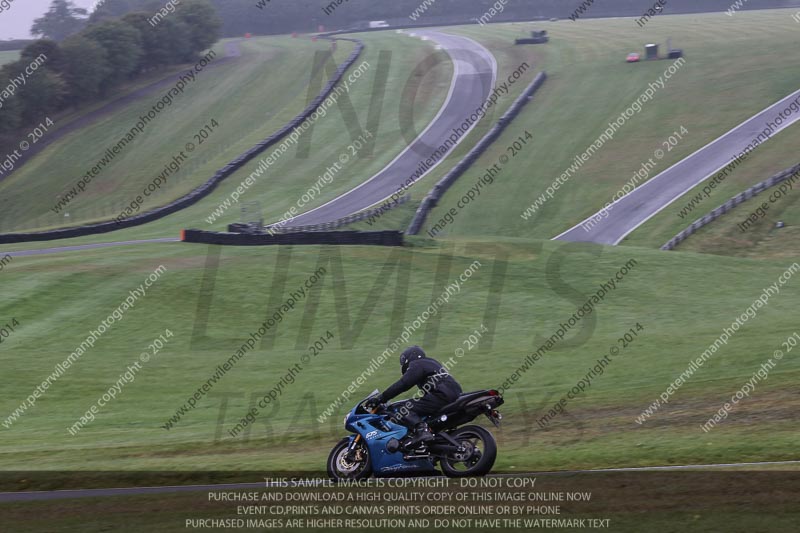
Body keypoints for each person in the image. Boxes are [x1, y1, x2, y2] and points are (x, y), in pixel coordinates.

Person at [371, 345, 463, 449]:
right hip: (455, 394)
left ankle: (422, 431)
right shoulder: (432, 363)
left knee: (404, 408)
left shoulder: (417, 364)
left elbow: (404, 384)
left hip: (442, 395)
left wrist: (382, 398)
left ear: (411, 356)